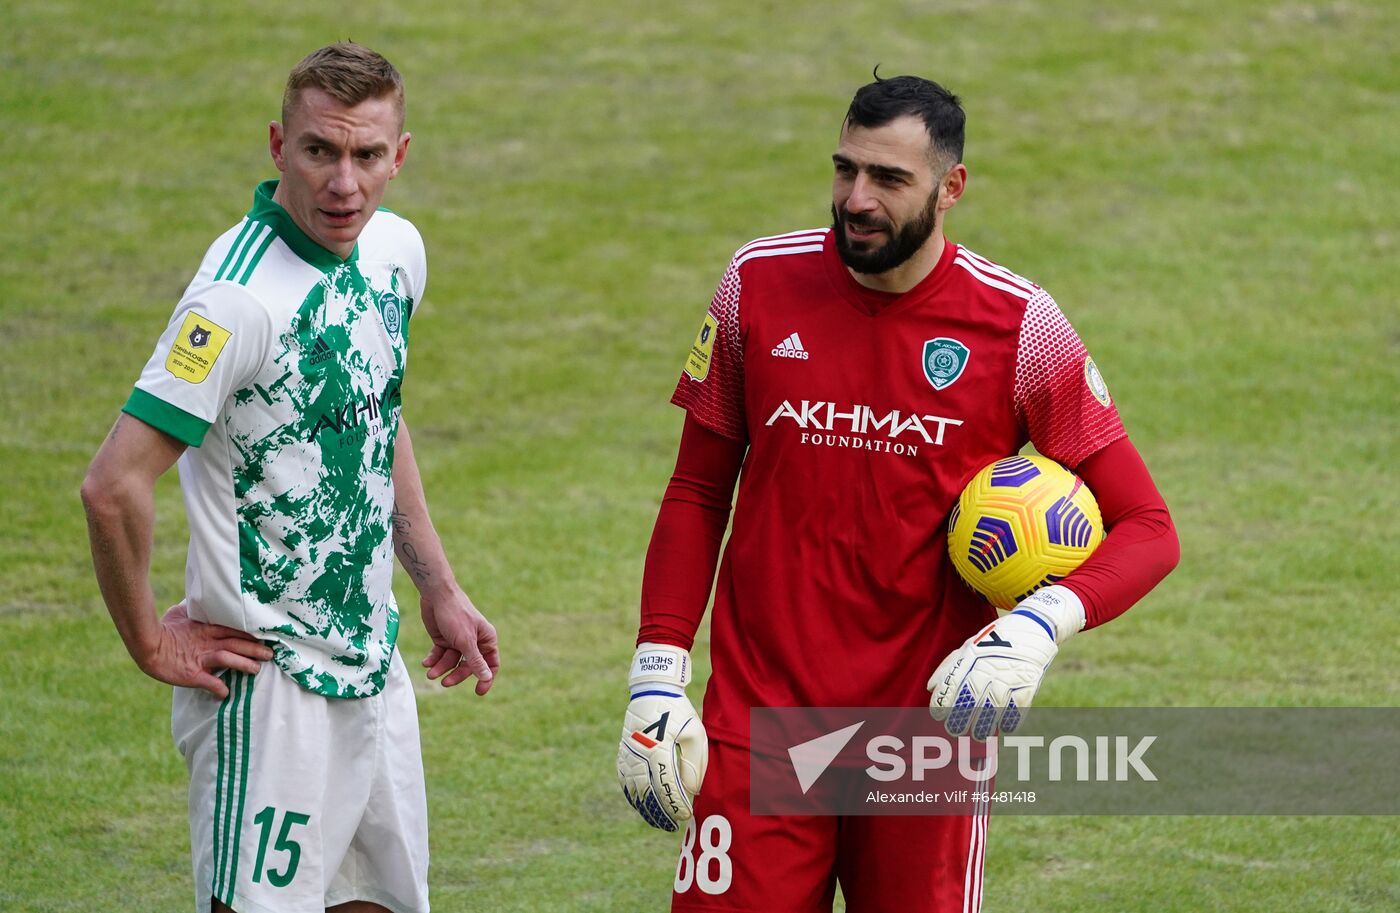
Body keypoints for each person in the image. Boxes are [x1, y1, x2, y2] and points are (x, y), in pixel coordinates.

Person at [616, 74, 1179, 912]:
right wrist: (657, 671)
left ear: (951, 188)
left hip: (924, 744)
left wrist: (1036, 625)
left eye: (888, 179)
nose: (855, 199)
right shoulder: (757, 286)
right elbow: (698, 488)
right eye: (845, 170)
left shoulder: (1019, 326)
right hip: (762, 725)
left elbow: (1148, 526)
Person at [81, 43, 499, 913]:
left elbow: (375, 415)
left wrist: (438, 586)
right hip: (268, 695)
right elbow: (112, 485)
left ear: (400, 155)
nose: (343, 183)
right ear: (279, 147)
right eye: (320, 151)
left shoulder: (395, 253)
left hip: (373, 668)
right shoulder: (234, 302)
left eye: (366, 156)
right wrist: (151, 645)